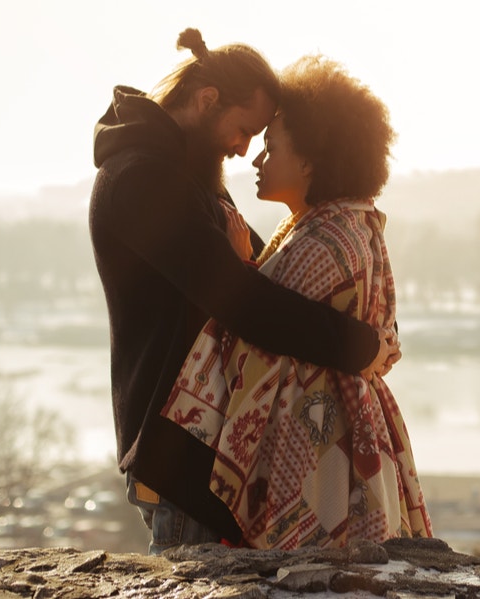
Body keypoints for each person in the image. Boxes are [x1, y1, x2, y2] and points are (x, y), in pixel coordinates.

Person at [89, 28, 397, 553]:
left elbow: (258, 270)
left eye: (259, 139)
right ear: (207, 100)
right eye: (243, 129)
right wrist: (359, 346)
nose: (243, 148)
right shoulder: (144, 180)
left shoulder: (183, 173)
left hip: (195, 453)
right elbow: (247, 303)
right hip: (179, 455)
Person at [162, 54, 432, 549]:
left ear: (309, 160)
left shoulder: (319, 243)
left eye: (270, 146)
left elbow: (256, 330)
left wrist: (240, 268)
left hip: (313, 460)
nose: (256, 159)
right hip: (337, 441)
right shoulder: (346, 223)